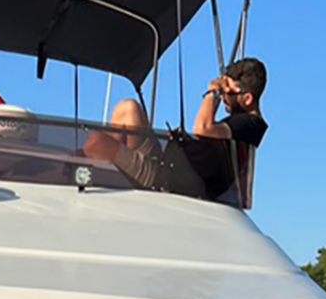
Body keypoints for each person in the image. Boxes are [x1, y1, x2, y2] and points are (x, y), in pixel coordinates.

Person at [83, 57, 268, 198]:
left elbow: (202, 128)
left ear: (248, 98)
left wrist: (212, 91)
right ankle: (105, 164)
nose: (224, 97)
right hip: (165, 164)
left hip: (161, 180)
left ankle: (83, 166)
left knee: (96, 142)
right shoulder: (241, 124)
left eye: (227, 92)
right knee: (128, 108)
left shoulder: (248, 125)